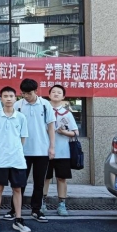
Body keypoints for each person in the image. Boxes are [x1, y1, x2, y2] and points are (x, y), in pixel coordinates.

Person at [4, 78, 55, 224]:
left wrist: (52, 147)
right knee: (19, 182)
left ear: (36, 91)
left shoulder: (45, 105)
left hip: (42, 150)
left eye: (29, 93)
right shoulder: (18, 105)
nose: (26, 96)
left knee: (39, 182)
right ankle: (14, 210)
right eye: (24, 93)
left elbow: (51, 127)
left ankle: (36, 210)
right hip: (22, 151)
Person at [0, 86, 31, 232]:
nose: (8, 98)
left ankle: (18, 220)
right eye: (5, 96)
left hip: (17, 158)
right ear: (0, 98)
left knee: (17, 189)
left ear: (15, 98)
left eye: (11, 96)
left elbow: (23, 138)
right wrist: (0, 151)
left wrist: (14, 150)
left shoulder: (21, 117)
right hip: (0, 159)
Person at [44, 85, 78, 217]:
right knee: (44, 178)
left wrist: (63, 131)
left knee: (62, 178)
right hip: (45, 151)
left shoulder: (67, 113)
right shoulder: (44, 111)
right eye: (53, 92)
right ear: (49, 94)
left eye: (59, 92)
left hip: (63, 152)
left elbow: (75, 132)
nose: (56, 94)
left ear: (63, 96)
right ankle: (42, 203)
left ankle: (62, 204)